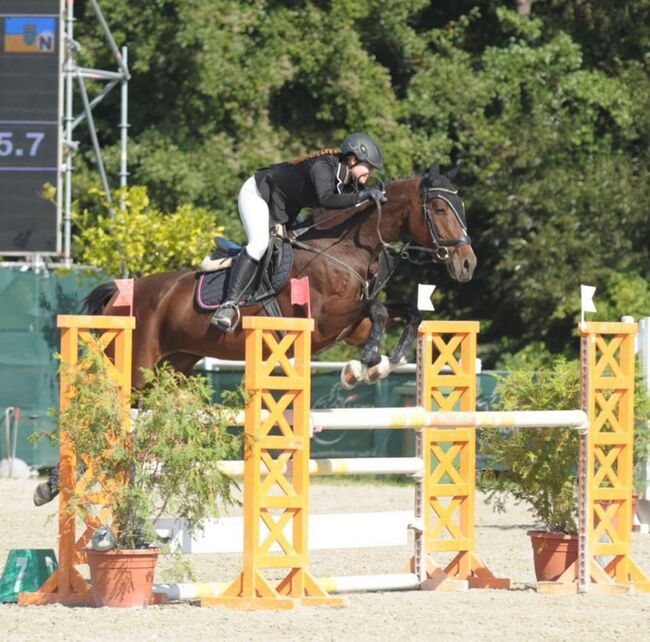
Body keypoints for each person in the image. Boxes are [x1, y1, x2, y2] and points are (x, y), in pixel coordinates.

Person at [211, 132, 386, 332]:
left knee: (302, 247)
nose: (370, 173)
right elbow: (327, 200)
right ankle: (229, 305)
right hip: (259, 195)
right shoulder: (324, 166)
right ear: (353, 159)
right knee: (259, 244)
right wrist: (364, 195)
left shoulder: (348, 179)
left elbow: (348, 207)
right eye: (369, 167)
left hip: (286, 210)